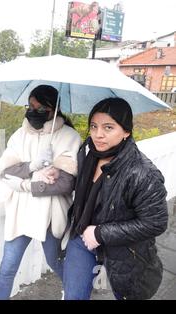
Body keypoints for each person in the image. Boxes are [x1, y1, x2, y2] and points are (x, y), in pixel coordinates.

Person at [63, 97, 168, 300]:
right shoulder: (88, 152)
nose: (98, 134)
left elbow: (156, 222)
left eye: (108, 127)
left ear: (126, 131)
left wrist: (101, 233)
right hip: (82, 237)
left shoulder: (142, 173)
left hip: (125, 250)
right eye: (93, 126)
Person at [0, 85, 82, 300]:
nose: (33, 111)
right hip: (21, 212)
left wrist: (26, 185)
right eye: (30, 106)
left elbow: (65, 183)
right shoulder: (19, 135)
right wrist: (33, 166)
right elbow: (4, 170)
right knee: (7, 267)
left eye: (40, 107)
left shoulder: (69, 137)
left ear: (54, 108)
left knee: (55, 262)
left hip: (50, 215)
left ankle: (76, 291)